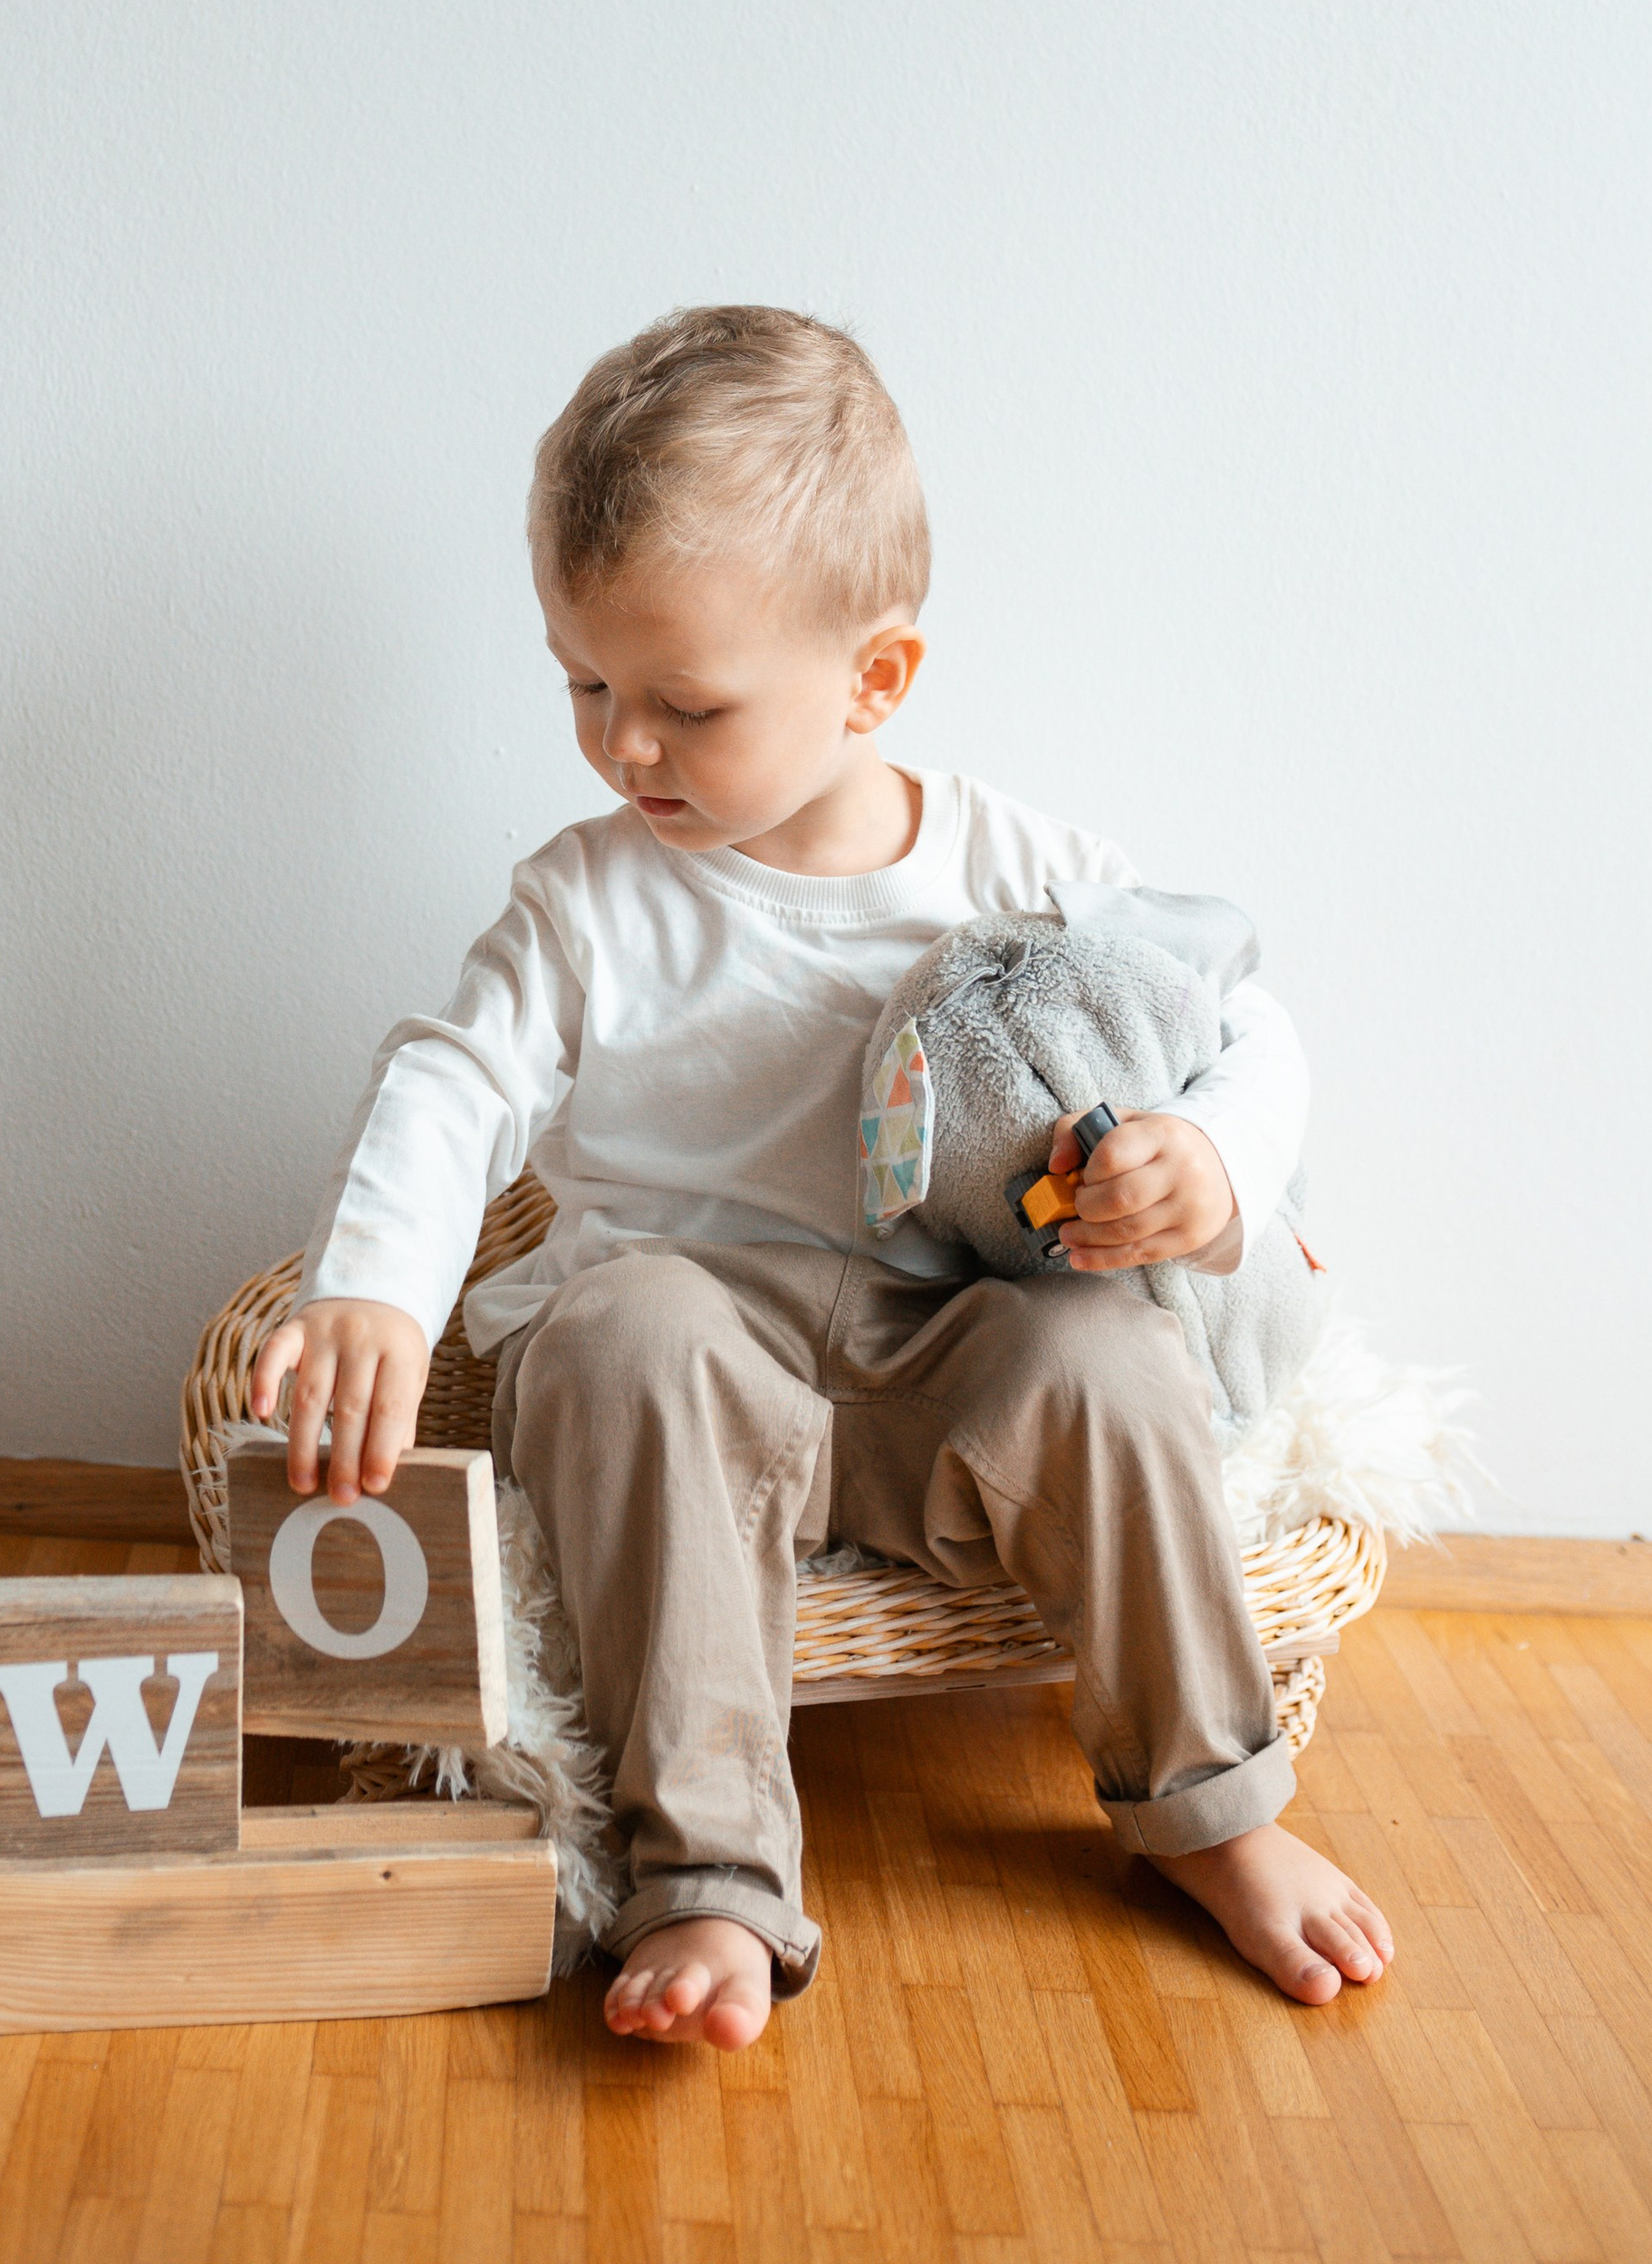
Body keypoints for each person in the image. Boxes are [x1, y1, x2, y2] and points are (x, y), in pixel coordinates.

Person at [250, 306, 1392, 2049]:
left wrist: (1211, 1164)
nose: (624, 747)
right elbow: (453, 1074)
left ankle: (1210, 1806)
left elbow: (1246, 1023)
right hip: (686, 1365)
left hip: (944, 1353)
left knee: (1108, 1354)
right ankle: (706, 1872)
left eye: (684, 705)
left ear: (874, 681)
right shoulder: (592, 896)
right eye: (584, 685)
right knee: (625, 1331)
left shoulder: (1026, 870)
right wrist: (377, 1288)